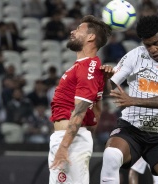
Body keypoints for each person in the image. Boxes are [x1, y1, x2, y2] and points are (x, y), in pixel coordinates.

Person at [100, 15, 158, 184]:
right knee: (111, 155)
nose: (152, 49)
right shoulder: (134, 56)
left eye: (156, 43)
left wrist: (132, 100)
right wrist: (105, 80)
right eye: (147, 45)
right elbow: (108, 91)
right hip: (131, 130)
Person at [48, 15, 112, 184]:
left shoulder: (88, 67)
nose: (72, 31)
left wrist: (64, 146)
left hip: (70, 141)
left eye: (78, 29)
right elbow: (96, 114)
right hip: (68, 139)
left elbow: (81, 110)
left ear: (91, 37)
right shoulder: (85, 67)